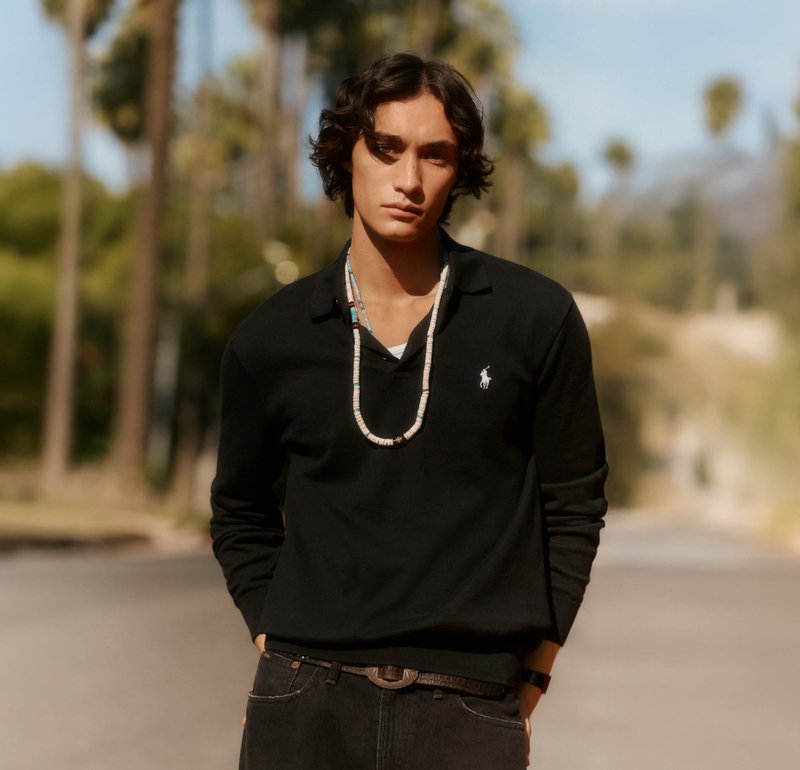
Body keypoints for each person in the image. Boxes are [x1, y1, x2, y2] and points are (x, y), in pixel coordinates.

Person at [210, 51, 608, 770]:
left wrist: (535, 668)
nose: (409, 179)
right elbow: (240, 511)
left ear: (461, 171)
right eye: (387, 148)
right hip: (304, 703)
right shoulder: (271, 336)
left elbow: (573, 505)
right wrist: (276, 647)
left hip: (469, 704)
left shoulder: (534, 319)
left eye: (436, 155)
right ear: (346, 153)